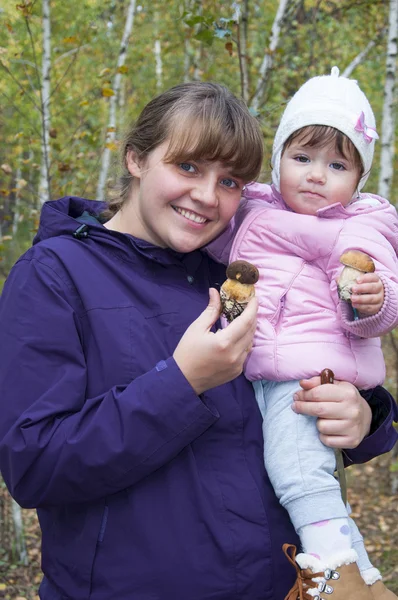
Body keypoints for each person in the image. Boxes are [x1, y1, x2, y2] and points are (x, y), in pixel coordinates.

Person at [0, 82, 396, 600]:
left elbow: (280, 403)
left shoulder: (232, 272)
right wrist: (182, 383)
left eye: (230, 180)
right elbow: (33, 465)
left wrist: (365, 417)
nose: (208, 196)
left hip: (277, 585)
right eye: (188, 167)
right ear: (137, 159)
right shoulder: (56, 276)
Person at [206, 69, 398, 599]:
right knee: (305, 479)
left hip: (308, 375)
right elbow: (210, 243)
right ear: (279, 160)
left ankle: (333, 576)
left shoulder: (357, 225)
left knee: (297, 474)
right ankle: (368, 584)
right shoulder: (256, 208)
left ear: (358, 179)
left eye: (337, 165)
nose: (316, 176)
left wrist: (368, 299)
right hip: (261, 369)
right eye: (303, 158)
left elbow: (379, 303)